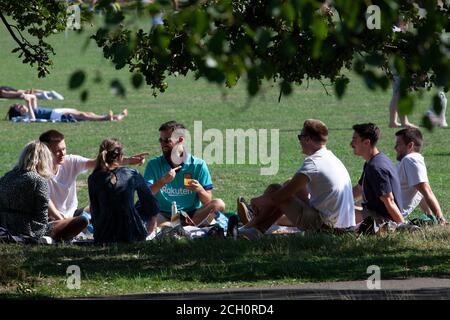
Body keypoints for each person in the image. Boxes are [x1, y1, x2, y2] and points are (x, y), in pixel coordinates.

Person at [238, 119, 356, 239]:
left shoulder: (313, 163)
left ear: (307, 139)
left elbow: (279, 196)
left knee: (275, 190)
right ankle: (254, 228)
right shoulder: (330, 157)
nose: (299, 141)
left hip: (327, 228)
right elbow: (291, 187)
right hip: (342, 225)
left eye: (300, 137)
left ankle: (251, 228)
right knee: (289, 186)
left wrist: (256, 201)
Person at [38, 130, 148, 220]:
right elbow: (45, 202)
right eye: (57, 151)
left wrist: (129, 160)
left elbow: (98, 162)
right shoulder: (38, 171)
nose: (62, 154)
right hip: (51, 218)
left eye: (64, 149)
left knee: (104, 208)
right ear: (45, 151)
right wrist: (60, 219)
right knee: (82, 222)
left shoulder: (70, 161)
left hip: (73, 214)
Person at [0, 141, 88, 241]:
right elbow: (41, 219)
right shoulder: (38, 181)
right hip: (30, 231)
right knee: (82, 220)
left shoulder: (7, 177)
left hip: (5, 227)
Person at [143, 121, 225, 228]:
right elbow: (145, 196)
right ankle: (180, 228)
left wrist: (200, 190)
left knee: (219, 204)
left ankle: (181, 228)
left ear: (180, 140)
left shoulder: (198, 165)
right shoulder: (153, 164)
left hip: (191, 214)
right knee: (145, 209)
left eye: (167, 141)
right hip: (163, 214)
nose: (162, 144)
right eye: (160, 140)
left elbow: (207, 201)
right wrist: (162, 181)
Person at [88, 138, 159, 243]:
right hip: (132, 233)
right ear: (121, 156)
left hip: (104, 236)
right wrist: (152, 223)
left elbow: (95, 209)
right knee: (142, 203)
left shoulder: (93, 178)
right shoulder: (131, 174)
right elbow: (149, 201)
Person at [351, 123, 404, 224]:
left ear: (366, 142)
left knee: (339, 213)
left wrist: (403, 226)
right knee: (340, 208)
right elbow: (358, 189)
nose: (351, 144)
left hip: (383, 220)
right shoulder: (373, 161)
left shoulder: (376, 168)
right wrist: (337, 200)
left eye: (355, 140)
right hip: (373, 212)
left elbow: (389, 201)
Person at [394, 128, 446, 223]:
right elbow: (420, 193)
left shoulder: (410, 160)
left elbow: (426, 191)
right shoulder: (411, 160)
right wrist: (431, 217)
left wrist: (440, 219)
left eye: (398, 144)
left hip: (385, 214)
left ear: (410, 145)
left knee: (357, 216)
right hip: (382, 209)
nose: (395, 147)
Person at [6, 103, 128, 121]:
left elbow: (34, 106)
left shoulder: (30, 109)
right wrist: (27, 103)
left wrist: (30, 98)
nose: (21, 105)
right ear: (19, 112)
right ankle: (104, 118)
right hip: (55, 115)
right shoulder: (27, 115)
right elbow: (33, 119)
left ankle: (116, 117)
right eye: (19, 107)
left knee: (87, 113)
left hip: (57, 111)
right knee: (82, 115)